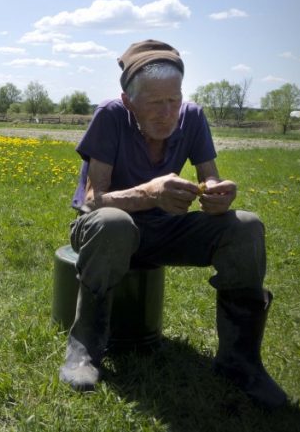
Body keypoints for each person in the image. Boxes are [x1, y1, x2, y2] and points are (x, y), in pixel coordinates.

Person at [59, 40, 287, 409]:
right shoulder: (110, 116)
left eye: (174, 100)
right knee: (114, 222)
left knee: (245, 226)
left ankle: (240, 361)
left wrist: (217, 194)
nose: (168, 114)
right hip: (105, 230)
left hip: (165, 229)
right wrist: (149, 193)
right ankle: (84, 348)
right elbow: (91, 200)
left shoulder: (192, 117)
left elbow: (209, 176)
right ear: (129, 100)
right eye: (155, 103)